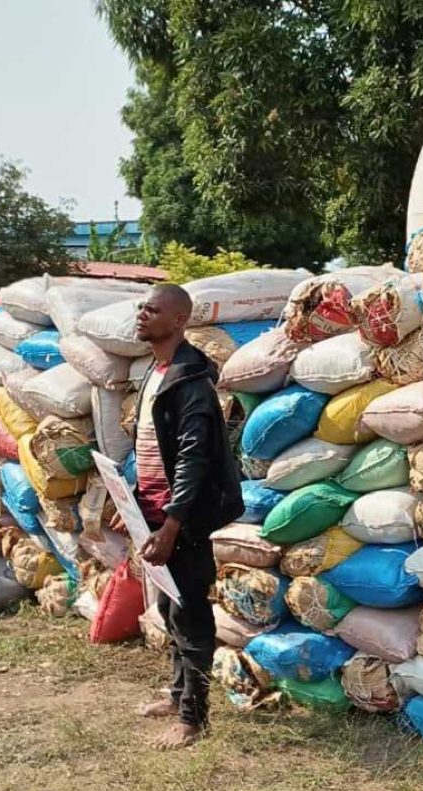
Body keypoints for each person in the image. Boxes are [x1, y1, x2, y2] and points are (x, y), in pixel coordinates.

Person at [130, 283, 244, 749]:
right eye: (141, 307)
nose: (141, 314)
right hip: (158, 511)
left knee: (191, 614)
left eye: (152, 310)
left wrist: (174, 523)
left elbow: (193, 458)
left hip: (187, 519)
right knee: (167, 608)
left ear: (178, 320)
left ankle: (193, 719)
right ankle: (178, 697)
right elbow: (154, 449)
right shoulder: (155, 373)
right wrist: (135, 504)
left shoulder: (191, 382)